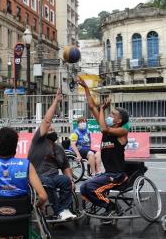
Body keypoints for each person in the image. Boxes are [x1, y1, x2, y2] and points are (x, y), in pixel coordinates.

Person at [77, 76, 130, 218]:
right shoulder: (106, 126)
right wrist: (86, 88)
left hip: (118, 176)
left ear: (119, 121)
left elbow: (104, 129)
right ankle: (108, 205)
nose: (109, 115)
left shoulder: (122, 132)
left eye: (113, 114)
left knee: (92, 188)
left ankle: (111, 207)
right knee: (83, 187)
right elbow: (92, 106)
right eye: (109, 113)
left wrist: (102, 109)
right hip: (108, 174)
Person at [28, 89, 76, 221]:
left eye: (53, 129)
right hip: (38, 177)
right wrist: (56, 101)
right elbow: (47, 121)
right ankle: (60, 211)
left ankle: (64, 209)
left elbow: (65, 167)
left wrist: (71, 180)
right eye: (49, 129)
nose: (51, 129)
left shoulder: (58, 148)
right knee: (48, 183)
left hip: (54, 176)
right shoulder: (38, 141)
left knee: (66, 181)